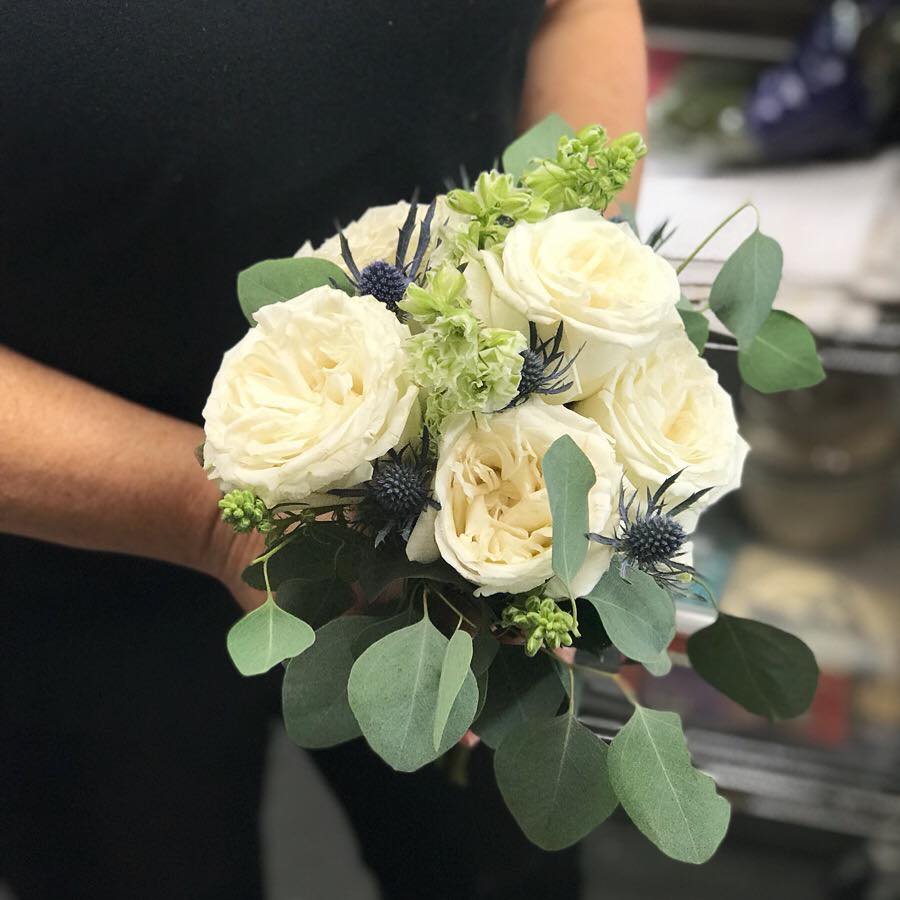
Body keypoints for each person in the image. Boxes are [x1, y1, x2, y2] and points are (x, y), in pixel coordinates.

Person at [0, 1, 647, 897]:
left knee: (496, 863)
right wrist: (215, 524)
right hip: (73, 564)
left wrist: (567, 307)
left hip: (465, 500)